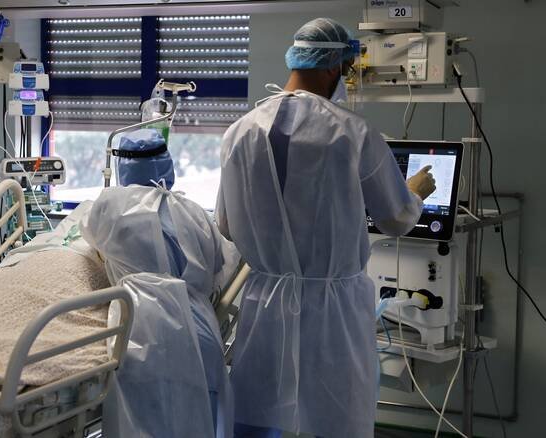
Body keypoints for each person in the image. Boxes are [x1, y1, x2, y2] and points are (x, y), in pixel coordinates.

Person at [215, 18, 436, 438]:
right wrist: (414, 193)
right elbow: (396, 218)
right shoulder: (351, 132)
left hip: (266, 302)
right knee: (337, 416)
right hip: (333, 310)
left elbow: (226, 225)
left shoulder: (238, 132)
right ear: (334, 65)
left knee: (259, 412)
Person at [82, 128, 239, 438]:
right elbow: (219, 267)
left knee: (141, 426)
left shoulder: (110, 205)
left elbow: (88, 239)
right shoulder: (195, 213)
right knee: (199, 424)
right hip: (199, 330)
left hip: (142, 330)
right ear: (168, 164)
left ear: (122, 166)